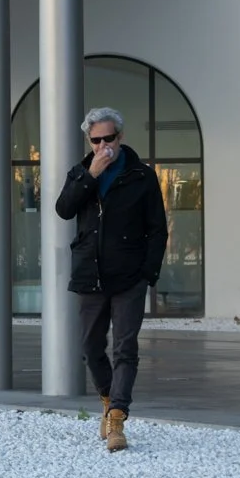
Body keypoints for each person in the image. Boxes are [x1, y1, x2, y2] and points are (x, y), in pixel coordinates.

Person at [54, 106, 167, 453]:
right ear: (90, 140)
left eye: (109, 138)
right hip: (91, 274)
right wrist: (91, 174)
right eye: (96, 139)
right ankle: (107, 398)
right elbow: (63, 209)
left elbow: (157, 230)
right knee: (90, 347)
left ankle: (117, 416)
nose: (104, 145)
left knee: (125, 348)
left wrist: (147, 274)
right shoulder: (81, 172)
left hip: (129, 277)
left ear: (121, 137)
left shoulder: (141, 176)